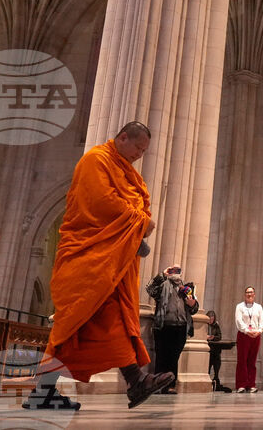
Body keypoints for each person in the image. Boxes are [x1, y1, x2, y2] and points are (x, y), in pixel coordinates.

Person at [23, 122, 172, 411]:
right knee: (73, 325)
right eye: (138, 148)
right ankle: (135, 381)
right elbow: (102, 203)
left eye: (144, 151)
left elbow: (133, 201)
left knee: (104, 322)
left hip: (110, 260)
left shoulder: (126, 170)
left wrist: (140, 222)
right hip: (87, 256)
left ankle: (132, 381)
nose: (140, 155)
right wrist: (141, 222)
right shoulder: (96, 160)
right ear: (123, 137)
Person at [146, 264, 199, 393]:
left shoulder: (187, 288)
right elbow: (150, 289)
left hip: (180, 327)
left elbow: (194, 309)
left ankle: (170, 385)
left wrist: (193, 304)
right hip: (164, 325)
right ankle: (158, 385)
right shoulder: (163, 285)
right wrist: (162, 275)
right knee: (161, 356)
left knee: (174, 357)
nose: (175, 272)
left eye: (178, 270)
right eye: (172, 270)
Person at [234, 286, 263, 393]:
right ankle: (241, 385)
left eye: (251, 292)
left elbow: (262, 322)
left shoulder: (258, 307)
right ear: (244, 294)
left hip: (256, 335)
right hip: (244, 335)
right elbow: (239, 321)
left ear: (254, 294)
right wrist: (247, 331)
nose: (249, 294)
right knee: (242, 360)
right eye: (247, 292)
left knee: (252, 361)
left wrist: (259, 331)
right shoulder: (239, 306)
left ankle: (251, 384)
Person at [206, 312, 231, 392]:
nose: (211, 320)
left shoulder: (216, 326)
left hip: (215, 349)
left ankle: (216, 378)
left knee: (217, 362)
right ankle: (207, 381)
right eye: (209, 319)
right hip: (207, 349)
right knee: (208, 366)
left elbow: (219, 336)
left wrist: (213, 337)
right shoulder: (204, 325)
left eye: (212, 319)